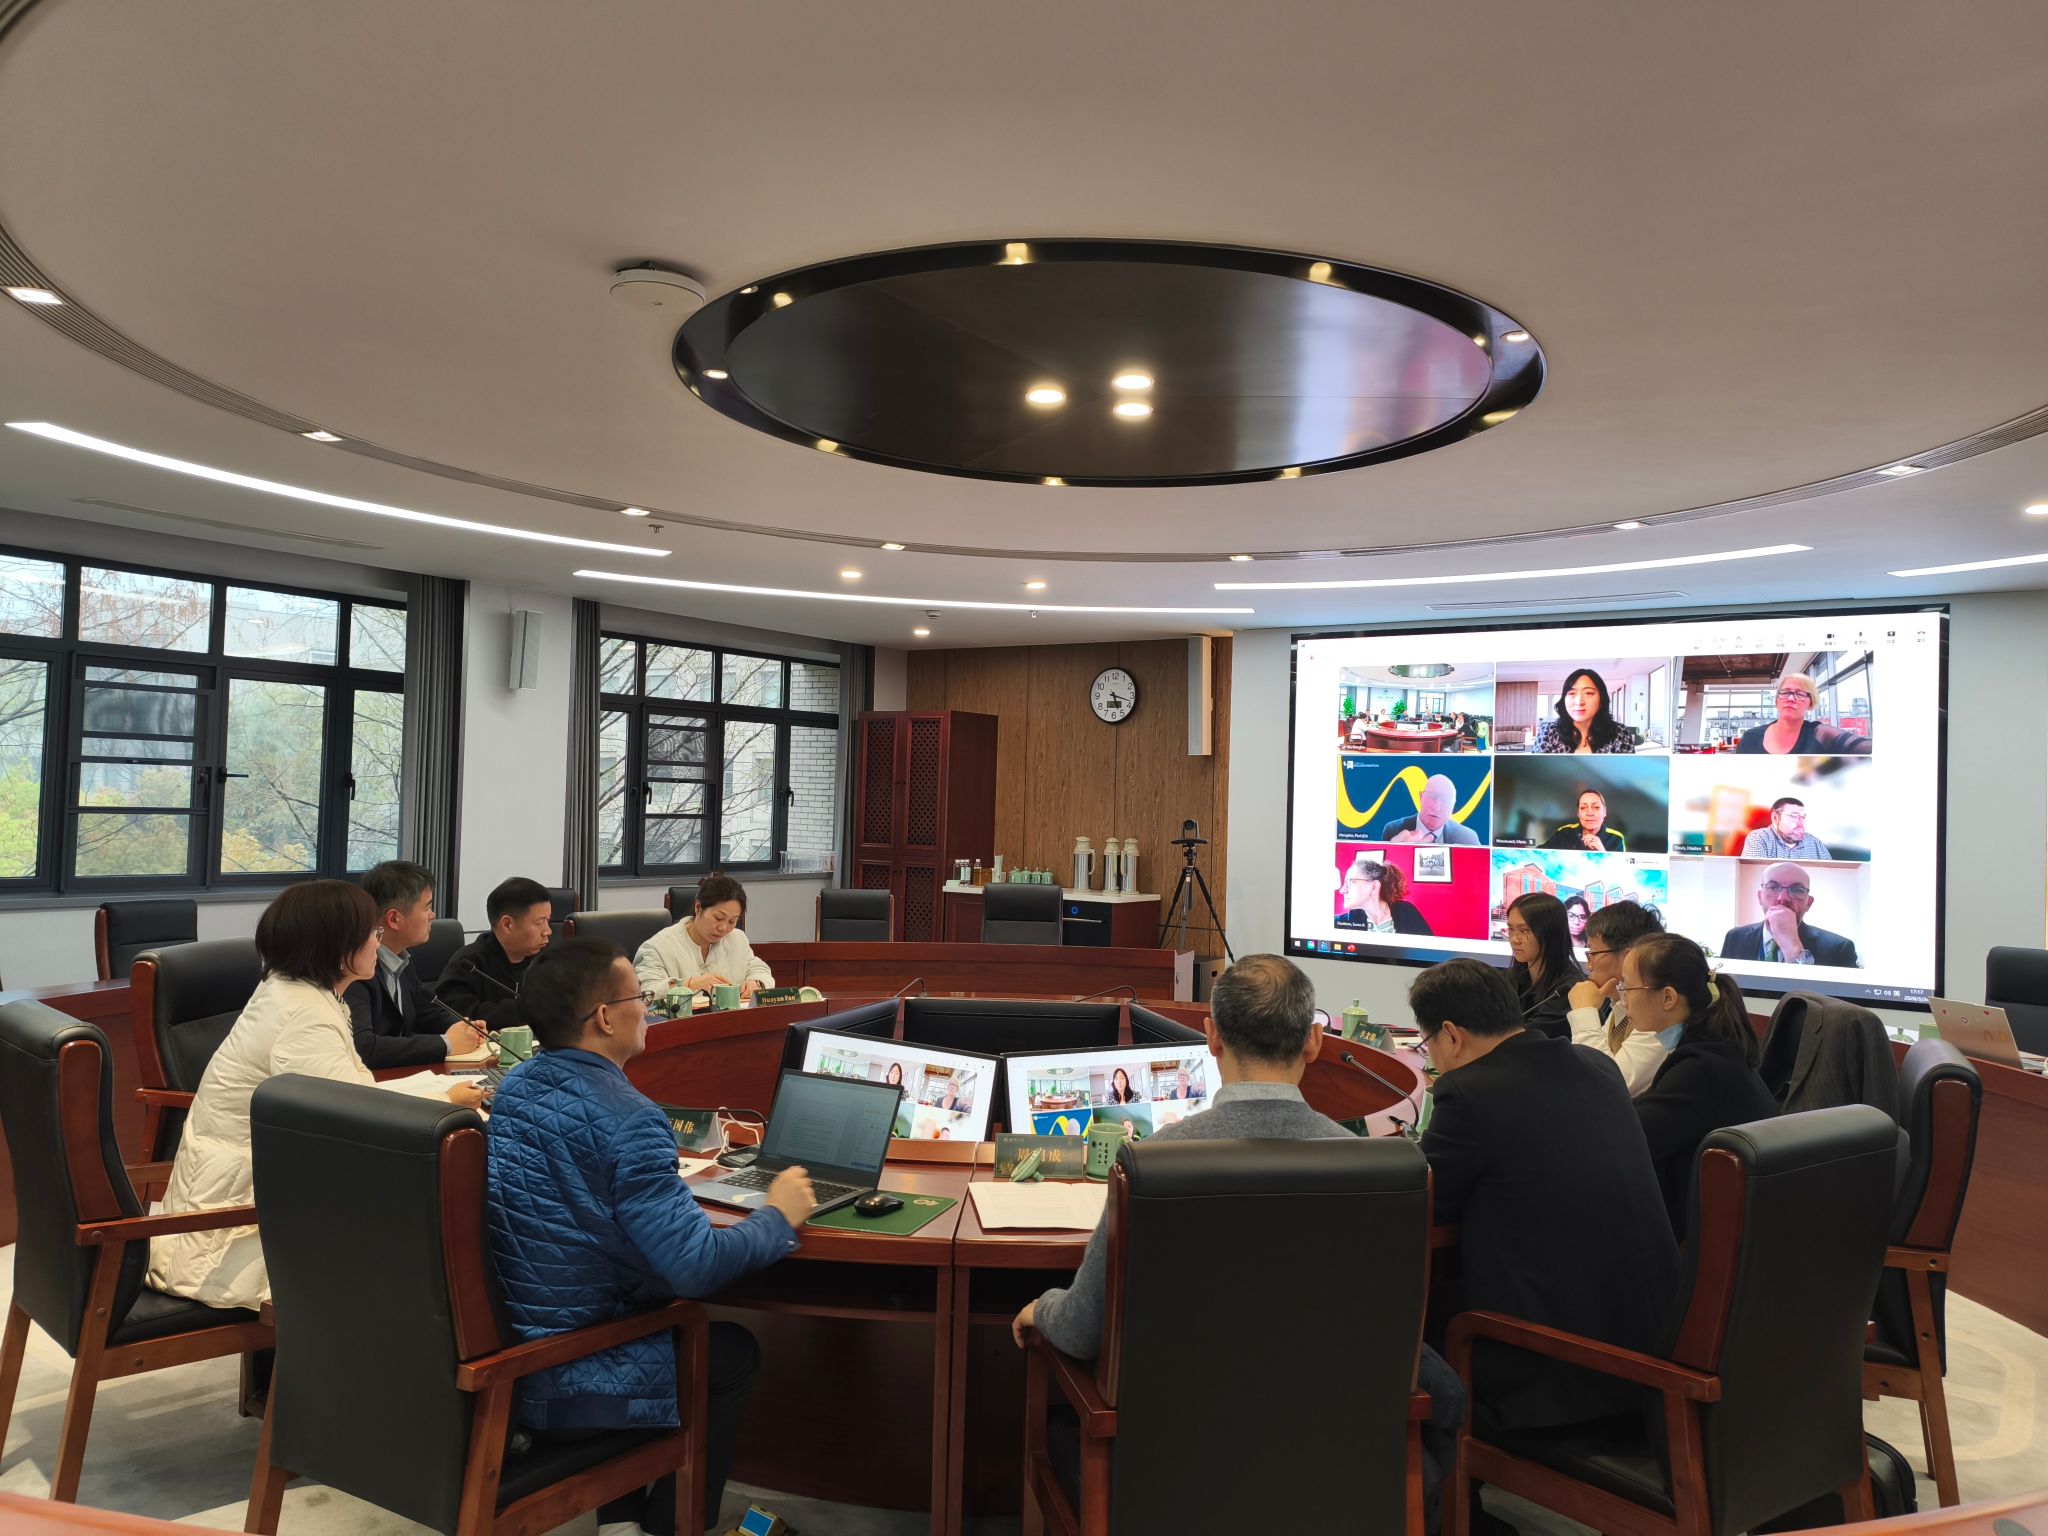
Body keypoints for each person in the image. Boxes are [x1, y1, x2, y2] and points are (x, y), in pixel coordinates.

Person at [1015, 955, 1466, 1531]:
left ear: (1211, 1037)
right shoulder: (1385, 1170)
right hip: (1338, 1482)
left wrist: (1040, 1309)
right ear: (1314, 1042)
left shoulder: (1152, 1165)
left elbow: (1081, 1331)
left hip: (1164, 1486)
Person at [484, 937, 815, 1534]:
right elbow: (697, 1268)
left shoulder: (516, 1086)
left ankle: (621, 1522)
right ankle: (670, 1525)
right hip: (576, 1378)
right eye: (640, 997)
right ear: (605, 1018)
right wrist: (776, 1215)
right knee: (731, 1352)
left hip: (515, 1352)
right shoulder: (632, 1118)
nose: (649, 1009)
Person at [147, 881, 487, 1310]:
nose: (377, 942)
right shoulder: (304, 1016)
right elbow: (352, 1122)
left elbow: (351, 1093)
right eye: (370, 934)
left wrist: (438, 1093)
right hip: (238, 1229)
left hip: (256, 1187)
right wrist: (444, 1102)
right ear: (336, 948)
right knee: (446, 1230)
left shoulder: (292, 991)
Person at [1411, 958, 1680, 1432]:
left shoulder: (1468, 1093)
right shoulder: (1597, 1066)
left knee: (1401, 1329)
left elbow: (1423, 1207)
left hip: (1559, 1375)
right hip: (1655, 1359)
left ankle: (1433, 1479)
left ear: (1451, 1035)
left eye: (1427, 1043)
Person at [1618, 935, 1781, 1233]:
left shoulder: (1702, 1068)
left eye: (1627, 988)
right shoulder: (1708, 1048)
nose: (1622, 999)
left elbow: (1628, 1141)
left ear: (1668, 998)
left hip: (1716, 1230)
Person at [343, 860, 486, 1068]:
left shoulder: (402, 960)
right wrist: (447, 1044)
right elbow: (363, 1047)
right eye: (427, 907)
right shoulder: (356, 969)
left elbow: (427, 1011)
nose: (432, 915)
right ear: (394, 919)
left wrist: (464, 1028)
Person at [1565, 900, 1670, 1096]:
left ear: (1630, 957)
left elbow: (1607, 1086)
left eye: (1593, 953)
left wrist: (1584, 1012)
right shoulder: (1621, 1004)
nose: (1588, 965)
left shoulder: (1658, 1012)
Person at [435, 875, 554, 1028]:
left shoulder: (548, 958)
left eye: (548, 920)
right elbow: (455, 1017)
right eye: (539, 923)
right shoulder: (469, 964)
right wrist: (526, 1010)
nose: (547, 931)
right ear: (507, 924)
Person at [636, 872, 776, 1001]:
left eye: (732, 921)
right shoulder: (658, 947)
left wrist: (756, 983)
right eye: (718, 917)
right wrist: (689, 984)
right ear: (698, 907)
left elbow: (759, 969)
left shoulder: (737, 939)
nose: (723, 928)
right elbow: (645, 993)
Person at [1719, 861, 1861, 967]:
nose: (1783, 898)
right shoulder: (1735, 937)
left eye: (1797, 890)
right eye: (1773, 887)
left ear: (1808, 903)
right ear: (1760, 897)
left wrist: (1793, 948)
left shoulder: (1839, 949)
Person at [1504, 892, 1584, 1040]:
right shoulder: (1513, 977)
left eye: (1524, 931)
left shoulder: (1569, 989)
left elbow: (1526, 1039)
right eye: (1511, 929)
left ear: (1550, 933)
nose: (1515, 939)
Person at [1735, 672, 1871, 755]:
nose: (1790, 698)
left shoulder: (1821, 735)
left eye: (1800, 694)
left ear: (1810, 703)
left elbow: (1863, 747)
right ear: (1776, 700)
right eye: (1785, 692)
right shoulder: (1750, 737)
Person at [1531, 668, 1641, 754]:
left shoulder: (1620, 733)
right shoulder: (1548, 733)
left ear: (1601, 700)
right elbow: (1533, 773)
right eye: (1572, 693)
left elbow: (1629, 774)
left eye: (1588, 693)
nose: (1579, 701)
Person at [1336, 854, 1434, 935]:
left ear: (1374, 886)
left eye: (1350, 882)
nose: (1342, 890)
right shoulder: (1343, 923)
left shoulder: (1406, 912)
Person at [1379, 774, 1481, 845]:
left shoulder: (1468, 838)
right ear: (1421, 797)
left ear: (1452, 805)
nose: (1436, 807)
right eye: (1432, 797)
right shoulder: (1393, 830)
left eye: (1445, 800)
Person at [1740, 796, 1833, 859]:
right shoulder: (1758, 838)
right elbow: (1756, 876)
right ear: (1775, 818)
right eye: (1794, 816)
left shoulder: (1816, 843)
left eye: (1802, 817)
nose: (1800, 822)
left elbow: (1831, 875)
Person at [1540, 789, 1626, 852]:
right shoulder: (1564, 833)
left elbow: (1619, 870)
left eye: (1596, 807)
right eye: (1583, 808)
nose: (1589, 813)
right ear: (1578, 813)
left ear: (1604, 812)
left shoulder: (1616, 838)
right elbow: (1537, 855)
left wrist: (1602, 852)